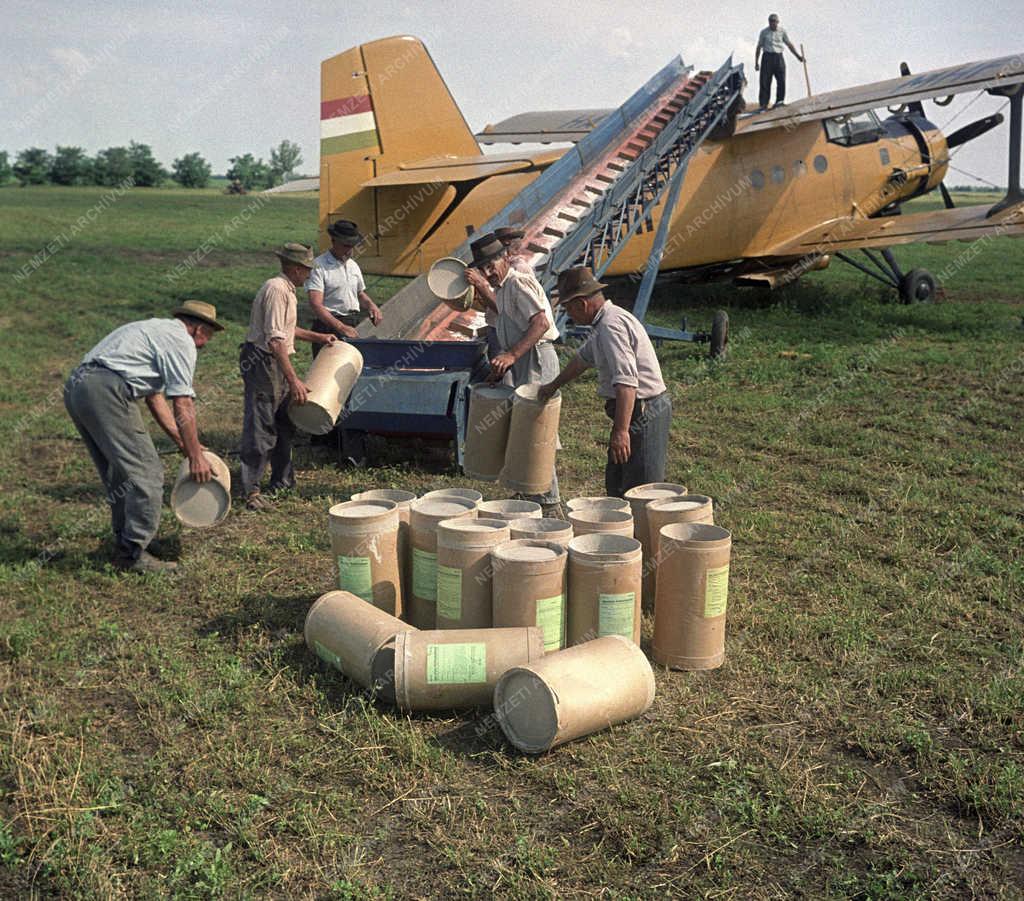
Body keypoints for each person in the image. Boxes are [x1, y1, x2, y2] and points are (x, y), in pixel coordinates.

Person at [63, 300, 223, 572]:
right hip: (107, 390)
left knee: (121, 472)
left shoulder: (154, 330)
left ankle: (127, 540)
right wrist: (196, 456)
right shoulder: (181, 341)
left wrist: (183, 443)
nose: (205, 344)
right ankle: (133, 554)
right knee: (146, 473)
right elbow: (182, 403)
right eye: (208, 336)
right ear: (198, 329)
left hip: (80, 386)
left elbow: (154, 396)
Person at [538, 267, 671, 499]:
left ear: (582, 304)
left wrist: (621, 431)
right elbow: (582, 359)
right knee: (618, 485)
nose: (570, 315)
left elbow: (627, 383)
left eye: (569, 308)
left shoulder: (611, 326)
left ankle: (643, 533)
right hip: (634, 412)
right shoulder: (602, 325)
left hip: (644, 410)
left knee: (641, 491)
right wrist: (552, 386)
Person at [465, 233, 563, 516]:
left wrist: (512, 355)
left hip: (537, 359)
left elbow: (541, 322)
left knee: (537, 432)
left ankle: (549, 503)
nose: (487, 273)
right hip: (522, 359)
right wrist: (502, 367)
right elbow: (511, 325)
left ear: (504, 258)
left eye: (490, 266)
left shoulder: (518, 282)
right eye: (482, 269)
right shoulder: (504, 287)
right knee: (525, 430)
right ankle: (530, 491)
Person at [240, 243, 337, 510]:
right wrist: (293, 379)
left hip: (275, 360)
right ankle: (251, 491)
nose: (308, 275)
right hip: (263, 363)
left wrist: (318, 336)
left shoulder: (287, 291)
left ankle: (282, 481)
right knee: (262, 426)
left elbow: (287, 329)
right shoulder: (276, 290)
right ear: (295, 269)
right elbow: (275, 341)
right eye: (306, 270)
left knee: (284, 421)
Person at [306, 219, 382, 351]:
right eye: (346, 246)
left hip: (352, 323)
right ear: (333, 241)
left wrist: (371, 305)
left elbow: (359, 293)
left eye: (352, 246)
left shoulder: (353, 266)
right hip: (328, 326)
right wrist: (340, 327)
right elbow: (315, 304)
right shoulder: (319, 266)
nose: (349, 251)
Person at [466, 226, 531, 359]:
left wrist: (481, 284)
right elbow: (493, 304)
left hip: (506, 331)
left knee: (506, 375)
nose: (487, 273)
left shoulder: (518, 271)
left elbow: (503, 310)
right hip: (497, 329)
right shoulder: (499, 274)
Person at [754, 13, 804, 111]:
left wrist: (798, 56)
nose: (773, 23)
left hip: (778, 57)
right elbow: (759, 47)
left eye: (775, 22)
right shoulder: (764, 32)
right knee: (765, 81)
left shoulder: (782, 31)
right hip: (767, 57)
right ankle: (763, 104)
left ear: (778, 22)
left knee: (781, 80)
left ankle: (779, 101)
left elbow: (789, 44)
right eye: (771, 21)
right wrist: (756, 62)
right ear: (769, 22)